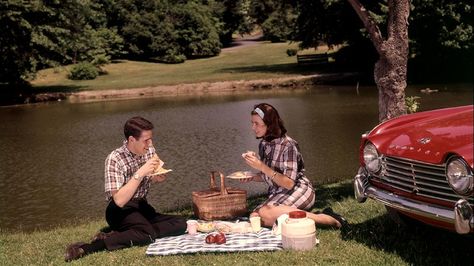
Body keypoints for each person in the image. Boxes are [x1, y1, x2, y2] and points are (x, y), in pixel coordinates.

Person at [65, 116, 187, 262]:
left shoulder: (149, 150)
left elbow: (155, 174)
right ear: (131, 140)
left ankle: (121, 233)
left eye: (151, 139)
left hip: (141, 205)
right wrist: (140, 173)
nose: (150, 144)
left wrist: (157, 177)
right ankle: (90, 246)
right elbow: (119, 200)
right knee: (147, 234)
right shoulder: (114, 159)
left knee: (181, 223)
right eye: (146, 140)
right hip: (119, 210)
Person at [241, 103, 347, 229]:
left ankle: (330, 219)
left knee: (265, 214)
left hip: (298, 190)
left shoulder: (289, 145)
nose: (253, 127)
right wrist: (253, 176)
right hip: (278, 192)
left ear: (269, 124)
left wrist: (261, 166)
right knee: (255, 216)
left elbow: (289, 183)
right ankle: (310, 215)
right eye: (252, 123)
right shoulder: (264, 144)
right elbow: (271, 175)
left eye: (256, 123)